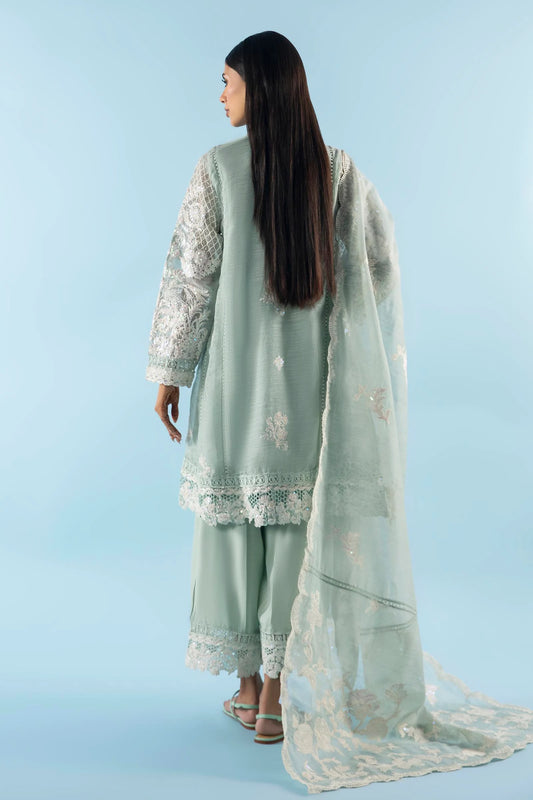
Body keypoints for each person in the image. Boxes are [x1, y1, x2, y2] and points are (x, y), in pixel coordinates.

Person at [146, 30, 533, 792]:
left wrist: (168, 372)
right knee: (292, 528)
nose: (219, 96)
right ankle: (273, 700)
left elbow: (190, 280)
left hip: (232, 387)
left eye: (227, 82)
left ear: (259, 88)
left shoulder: (216, 170)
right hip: (308, 390)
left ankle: (248, 689)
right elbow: (379, 266)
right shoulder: (336, 174)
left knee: (233, 526)